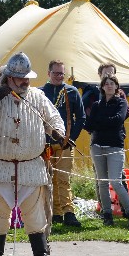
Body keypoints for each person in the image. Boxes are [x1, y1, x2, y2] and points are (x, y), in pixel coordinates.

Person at [0, 52, 64, 256]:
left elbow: (53, 118)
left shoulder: (37, 97)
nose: (25, 82)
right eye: (20, 78)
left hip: (30, 166)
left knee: (34, 214)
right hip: (0, 165)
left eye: (27, 78)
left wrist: (59, 133)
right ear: (9, 77)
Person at [85, 75, 129, 228]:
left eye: (112, 83)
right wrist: (102, 122)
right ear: (102, 87)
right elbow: (89, 125)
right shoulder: (97, 105)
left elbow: (118, 120)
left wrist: (99, 122)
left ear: (117, 87)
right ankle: (107, 215)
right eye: (106, 83)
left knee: (116, 181)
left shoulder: (122, 103)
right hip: (97, 146)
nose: (109, 86)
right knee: (102, 182)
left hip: (115, 146)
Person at [40, 60, 85, 229]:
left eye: (61, 73)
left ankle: (68, 212)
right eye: (56, 73)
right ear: (48, 73)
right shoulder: (39, 93)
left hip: (65, 143)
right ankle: (55, 212)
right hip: (45, 144)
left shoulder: (72, 92)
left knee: (64, 179)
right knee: (48, 179)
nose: (59, 76)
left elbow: (80, 118)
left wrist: (70, 138)